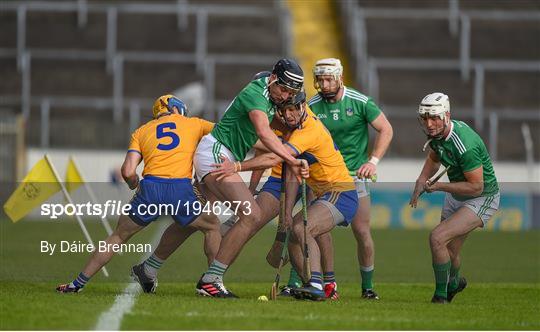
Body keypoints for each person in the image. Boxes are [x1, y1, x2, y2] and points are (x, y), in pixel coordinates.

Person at [56, 95, 220, 293]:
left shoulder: (141, 131)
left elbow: (127, 171)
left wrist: (134, 184)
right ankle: (213, 282)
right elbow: (225, 133)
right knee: (212, 226)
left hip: (150, 189)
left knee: (117, 237)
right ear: (176, 109)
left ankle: (77, 284)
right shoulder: (194, 124)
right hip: (179, 189)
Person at [209, 90, 358, 301]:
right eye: (283, 110)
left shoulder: (309, 130)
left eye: (291, 109)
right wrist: (286, 212)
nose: (287, 115)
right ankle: (310, 286)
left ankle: (319, 284)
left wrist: (236, 166)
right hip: (322, 191)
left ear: (301, 106)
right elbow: (291, 172)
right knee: (294, 239)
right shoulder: (289, 125)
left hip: (340, 192)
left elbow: (272, 157)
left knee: (302, 228)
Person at [193, 59, 309, 298]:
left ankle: (149, 268)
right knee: (252, 214)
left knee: (197, 217)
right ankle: (211, 279)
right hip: (216, 153)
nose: (286, 96)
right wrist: (291, 157)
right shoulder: (256, 93)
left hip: (221, 153)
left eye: (291, 92)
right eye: (284, 89)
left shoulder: (271, 97)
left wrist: (254, 185)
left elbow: (263, 146)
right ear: (274, 79)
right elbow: (264, 134)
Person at [298, 58, 393, 300]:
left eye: (329, 79)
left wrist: (372, 161)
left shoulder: (360, 102)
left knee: (362, 232)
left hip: (352, 176)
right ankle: (319, 282)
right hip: (321, 177)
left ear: (340, 77)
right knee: (312, 228)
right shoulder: (312, 105)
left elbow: (386, 129)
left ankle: (368, 287)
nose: (324, 84)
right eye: (320, 80)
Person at [409, 92, 500, 304]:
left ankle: (440, 296)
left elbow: (477, 187)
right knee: (449, 248)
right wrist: (422, 179)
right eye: (425, 118)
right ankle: (454, 282)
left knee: (437, 237)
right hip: (458, 194)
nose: (429, 124)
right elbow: (434, 156)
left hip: (481, 197)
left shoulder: (464, 144)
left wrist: (439, 185)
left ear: (446, 115)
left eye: (434, 118)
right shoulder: (439, 135)